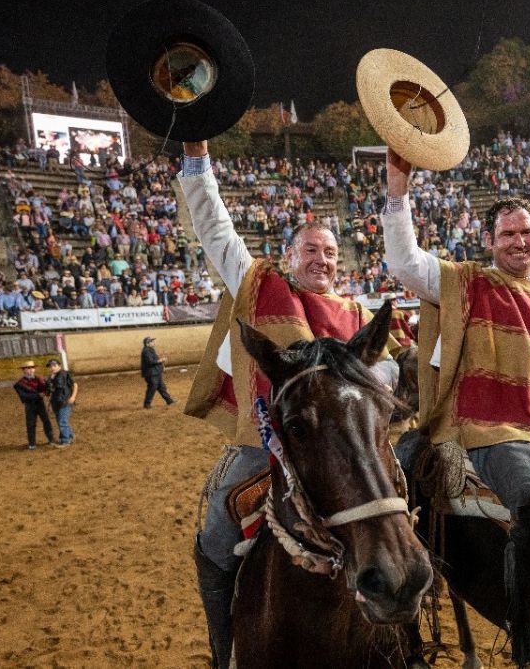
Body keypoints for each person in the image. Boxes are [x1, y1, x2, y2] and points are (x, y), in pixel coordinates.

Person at [175, 139, 399, 669]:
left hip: (350, 447)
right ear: (290, 257)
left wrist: (359, 383)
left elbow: (390, 367)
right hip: (268, 442)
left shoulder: (356, 313)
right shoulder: (263, 286)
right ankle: (224, 647)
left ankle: (404, 636)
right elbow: (216, 231)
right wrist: (197, 158)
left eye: (330, 252)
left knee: (405, 520)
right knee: (217, 527)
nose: (322, 259)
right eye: (310, 251)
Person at [383, 149, 530, 668]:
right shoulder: (469, 283)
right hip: (492, 429)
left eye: (526, 232)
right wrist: (397, 189)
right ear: (490, 242)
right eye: (508, 234)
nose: (519, 241)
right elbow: (404, 263)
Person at [13, 360, 54, 450]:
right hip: (30, 405)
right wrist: (38, 395)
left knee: (46, 421)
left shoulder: (40, 379)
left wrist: (48, 388)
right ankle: (32, 443)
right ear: (24, 370)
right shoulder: (20, 384)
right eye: (28, 368)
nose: (31, 370)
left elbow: (47, 390)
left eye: (32, 368)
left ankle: (51, 439)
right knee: (31, 424)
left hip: (40, 404)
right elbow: (24, 396)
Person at [45, 358, 77, 447]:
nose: (52, 368)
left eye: (54, 365)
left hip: (65, 402)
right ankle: (70, 435)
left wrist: (73, 397)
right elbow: (50, 391)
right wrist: (48, 401)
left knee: (62, 422)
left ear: (59, 365)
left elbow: (75, 385)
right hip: (56, 402)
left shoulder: (65, 374)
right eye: (51, 366)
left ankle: (65, 441)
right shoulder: (51, 377)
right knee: (60, 421)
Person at [140, 337, 174, 408]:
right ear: (147, 344)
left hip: (155, 373)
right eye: (151, 342)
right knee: (152, 388)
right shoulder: (146, 351)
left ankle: (169, 401)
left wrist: (160, 365)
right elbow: (150, 362)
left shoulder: (150, 350)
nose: (153, 343)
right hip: (151, 374)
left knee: (162, 387)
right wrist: (161, 360)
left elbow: (154, 360)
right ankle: (147, 405)